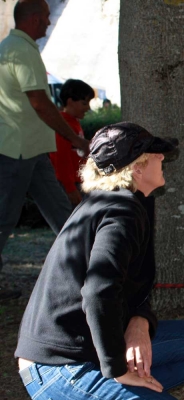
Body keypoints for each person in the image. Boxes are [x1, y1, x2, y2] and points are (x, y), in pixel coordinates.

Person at [15, 122, 184, 399]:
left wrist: (140, 320)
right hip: (60, 367)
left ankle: (131, 389)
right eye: (154, 153)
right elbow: (98, 291)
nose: (162, 158)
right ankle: (117, 386)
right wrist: (117, 368)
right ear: (137, 168)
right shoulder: (121, 211)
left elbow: (137, 280)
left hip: (87, 348)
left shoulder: (127, 200)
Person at [0, 0, 89, 286]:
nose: (50, 22)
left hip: (31, 147)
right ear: (35, 19)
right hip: (18, 149)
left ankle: (88, 266)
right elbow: (40, 102)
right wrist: (73, 137)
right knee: (3, 218)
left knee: (62, 213)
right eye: (47, 17)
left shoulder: (13, 48)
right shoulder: (21, 51)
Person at [49, 79, 94, 207]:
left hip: (77, 181)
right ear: (70, 102)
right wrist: (70, 188)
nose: (88, 108)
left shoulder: (73, 122)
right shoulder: (64, 125)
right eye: (84, 103)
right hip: (70, 184)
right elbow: (61, 158)